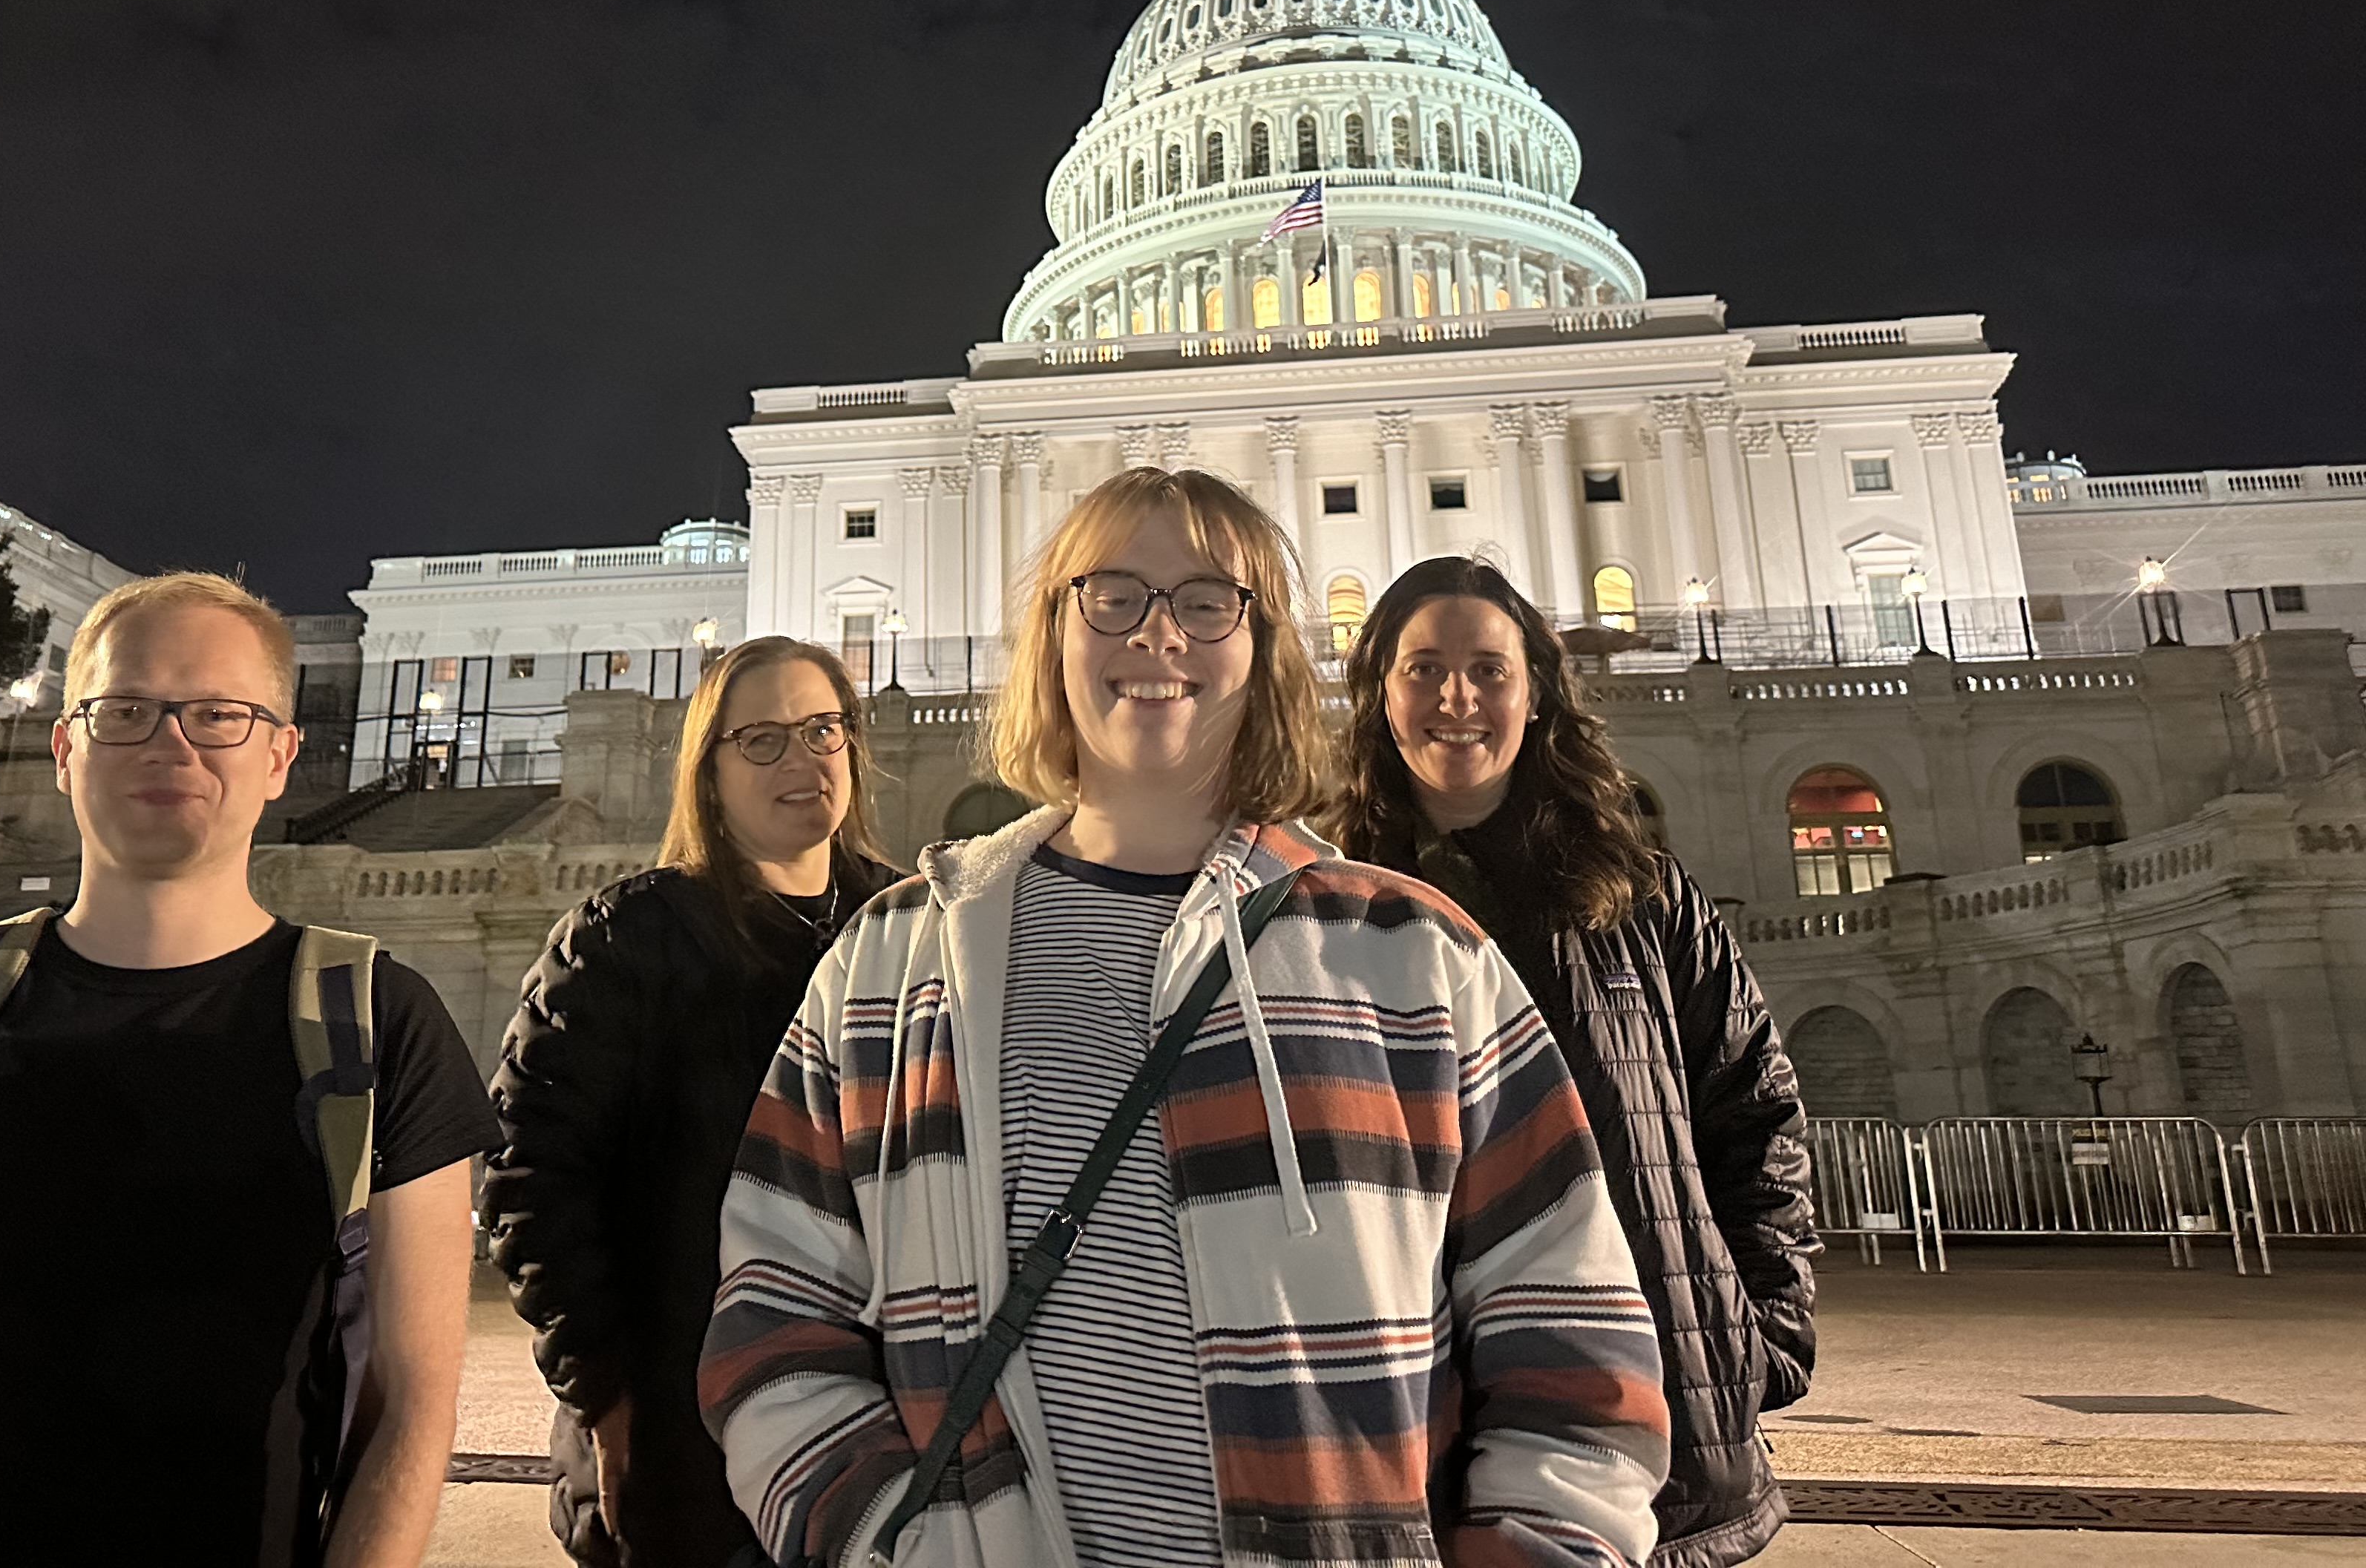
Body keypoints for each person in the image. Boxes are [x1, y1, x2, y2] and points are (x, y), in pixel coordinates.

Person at [704, 467, 1671, 1568]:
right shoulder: (892, 960)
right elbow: (773, 1314)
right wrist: (887, 1545)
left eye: (1208, 600)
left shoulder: (1417, 954)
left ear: (1264, 651)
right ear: (1052, 636)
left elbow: (1573, 1327)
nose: (1158, 632)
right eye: (1111, 594)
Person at [0, 573, 498, 1568]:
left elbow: (407, 1409)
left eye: (219, 714)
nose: (172, 743)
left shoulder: (378, 1020)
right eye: (126, 710)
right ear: (66, 750)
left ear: (281, 756)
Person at [1331, 556, 1819, 1568]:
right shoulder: (1323, 903)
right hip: (1413, 1395)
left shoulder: (1641, 892)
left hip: (1654, 1391)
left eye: (1488, 669)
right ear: (1379, 693)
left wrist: (1757, 1327)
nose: (1457, 698)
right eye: (1424, 669)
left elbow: (1754, 1108)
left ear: (1537, 693)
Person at [484, 636, 904, 1568]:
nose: (802, 759)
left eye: (822, 729)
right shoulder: (624, 938)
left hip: (874, 1419)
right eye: (762, 740)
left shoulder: (909, 930)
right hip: (681, 1424)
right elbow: (531, 1179)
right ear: (708, 772)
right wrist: (600, 1390)